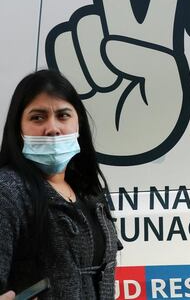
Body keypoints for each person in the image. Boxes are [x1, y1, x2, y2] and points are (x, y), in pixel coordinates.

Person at [0, 70, 119, 299]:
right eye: (38, 117)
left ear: (78, 123)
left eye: (63, 115)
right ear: (19, 128)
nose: (52, 128)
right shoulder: (8, 191)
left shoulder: (87, 189)